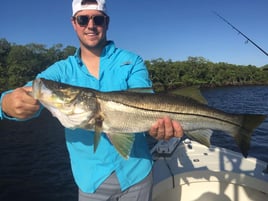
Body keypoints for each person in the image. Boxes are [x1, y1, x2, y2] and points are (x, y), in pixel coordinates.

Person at [0, 0, 183, 200]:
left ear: (107, 22)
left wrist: (160, 128)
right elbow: (28, 92)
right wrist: (7, 104)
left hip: (137, 174)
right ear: (73, 23)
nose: (90, 25)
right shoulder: (61, 71)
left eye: (97, 19)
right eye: (83, 19)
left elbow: (146, 102)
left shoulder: (132, 60)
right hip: (91, 183)